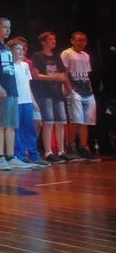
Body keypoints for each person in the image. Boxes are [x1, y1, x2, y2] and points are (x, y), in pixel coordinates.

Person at [0, 17, 31, 170]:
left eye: (9, 27)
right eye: (4, 27)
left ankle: (10, 156)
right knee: (2, 124)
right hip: (1, 90)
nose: (7, 30)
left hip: (12, 90)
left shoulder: (6, 47)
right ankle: (1, 157)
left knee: (11, 124)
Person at [32, 32, 75, 163]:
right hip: (44, 93)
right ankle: (48, 152)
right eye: (50, 39)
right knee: (48, 122)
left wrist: (69, 90)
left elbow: (63, 75)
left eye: (54, 39)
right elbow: (36, 75)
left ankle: (61, 151)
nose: (54, 41)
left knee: (61, 122)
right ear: (43, 42)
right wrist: (53, 77)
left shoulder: (57, 57)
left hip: (57, 93)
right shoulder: (37, 56)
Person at [8, 38, 50, 168]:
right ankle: (19, 155)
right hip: (16, 101)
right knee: (18, 130)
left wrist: (33, 101)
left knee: (30, 129)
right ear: (11, 51)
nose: (21, 51)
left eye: (22, 49)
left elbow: (28, 85)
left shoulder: (25, 65)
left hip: (26, 101)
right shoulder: (9, 66)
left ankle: (34, 155)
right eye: (17, 49)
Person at [61, 32, 100, 161]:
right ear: (72, 41)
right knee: (76, 119)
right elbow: (64, 73)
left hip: (86, 90)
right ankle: (70, 145)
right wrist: (69, 90)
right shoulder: (67, 53)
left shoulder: (86, 55)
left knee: (86, 120)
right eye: (77, 40)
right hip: (74, 89)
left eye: (83, 40)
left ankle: (83, 147)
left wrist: (90, 90)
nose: (80, 42)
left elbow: (86, 74)